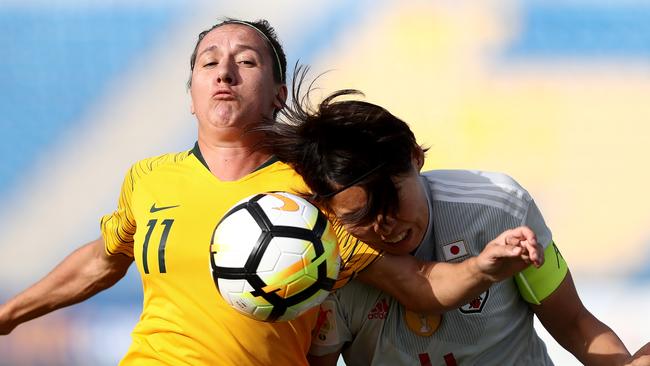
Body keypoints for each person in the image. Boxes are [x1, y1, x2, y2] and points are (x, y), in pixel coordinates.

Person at [0, 19, 544, 365]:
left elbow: (416, 285)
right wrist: (9, 314)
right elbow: (102, 259)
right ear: (190, 93)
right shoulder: (148, 178)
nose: (224, 72)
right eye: (208, 61)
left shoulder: (313, 192)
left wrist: (483, 268)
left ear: (279, 93)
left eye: (246, 60)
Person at [255, 75, 650, 365]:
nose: (384, 224)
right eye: (360, 216)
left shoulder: (498, 209)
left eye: (391, 199)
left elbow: (577, 324)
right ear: (330, 211)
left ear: (415, 157)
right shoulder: (319, 263)